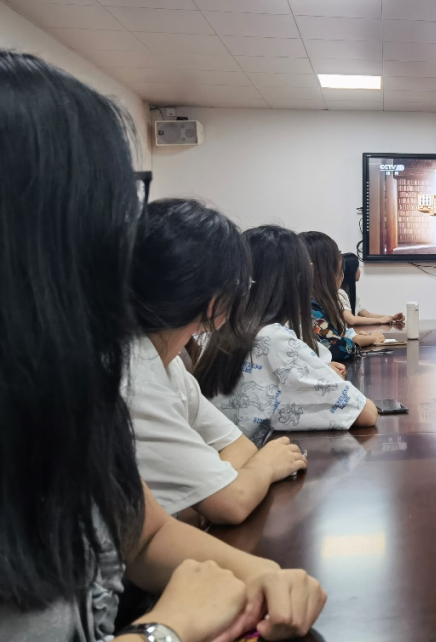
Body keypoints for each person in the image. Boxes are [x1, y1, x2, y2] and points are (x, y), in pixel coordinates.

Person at [0, 51, 323, 641]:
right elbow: (221, 500)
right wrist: (165, 630)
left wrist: (266, 575)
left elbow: (144, 534)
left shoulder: (71, 385)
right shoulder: (125, 368)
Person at [128, 198, 308, 525]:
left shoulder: (167, 364)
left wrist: (216, 487)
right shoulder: (137, 375)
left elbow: (238, 446)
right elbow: (231, 502)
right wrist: (263, 468)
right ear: (215, 303)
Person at [197, 225, 378, 445]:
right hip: (256, 457)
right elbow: (367, 413)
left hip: (230, 455)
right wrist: (326, 377)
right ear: (296, 280)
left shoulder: (221, 331)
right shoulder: (273, 338)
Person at [300, 232, 384, 358]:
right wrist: (371, 339)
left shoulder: (320, 301)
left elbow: (339, 334)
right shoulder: (309, 304)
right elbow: (337, 348)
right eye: (337, 255)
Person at [339, 251, 404, 328]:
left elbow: (367, 315)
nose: (359, 271)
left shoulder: (350, 294)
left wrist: (391, 318)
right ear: (351, 271)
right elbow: (351, 320)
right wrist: (380, 320)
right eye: (357, 268)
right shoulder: (339, 294)